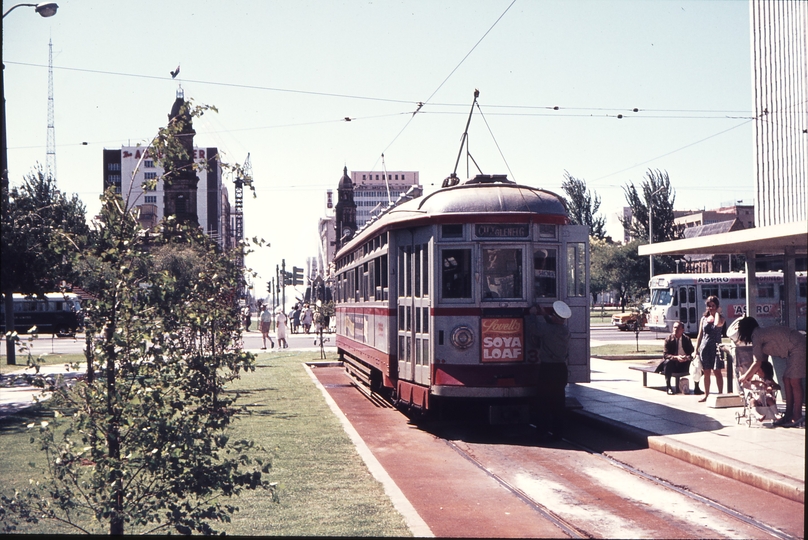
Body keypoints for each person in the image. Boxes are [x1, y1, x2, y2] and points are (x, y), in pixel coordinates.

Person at [736, 317, 805, 428]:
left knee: (794, 381)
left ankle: (796, 415)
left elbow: (757, 363)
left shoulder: (757, 335)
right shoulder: (760, 334)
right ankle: (788, 414)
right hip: (796, 345)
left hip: (798, 347)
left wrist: (745, 376)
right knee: (786, 379)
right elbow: (761, 360)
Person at [525, 300, 571, 439]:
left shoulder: (547, 329)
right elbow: (552, 324)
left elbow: (533, 328)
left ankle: (542, 431)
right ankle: (558, 433)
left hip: (548, 369)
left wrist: (532, 314)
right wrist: (545, 315)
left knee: (543, 401)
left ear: (555, 317)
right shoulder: (565, 330)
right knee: (558, 402)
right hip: (561, 369)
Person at [694, 295, 725, 403]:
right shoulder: (703, 319)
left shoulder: (720, 318)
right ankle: (706, 394)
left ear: (717, 306)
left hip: (716, 348)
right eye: (709, 306)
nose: (711, 308)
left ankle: (720, 394)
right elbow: (700, 335)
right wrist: (696, 349)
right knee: (706, 372)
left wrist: (716, 313)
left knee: (717, 372)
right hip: (705, 348)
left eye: (713, 306)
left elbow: (716, 324)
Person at [658, 321, 698, 395]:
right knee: (667, 362)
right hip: (673, 364)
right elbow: (665, 355)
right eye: (674, 327)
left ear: (683, 330)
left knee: (697, 363)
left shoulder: (686, 339)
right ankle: (669, 387)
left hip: (684, 364)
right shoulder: (669, 339)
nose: (675, 329)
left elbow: (692, 353)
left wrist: (686, 358)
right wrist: (676, 357)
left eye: (678, 328)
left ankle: (697, 387)